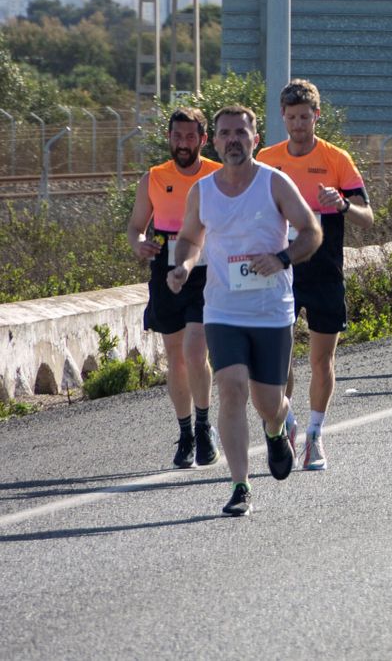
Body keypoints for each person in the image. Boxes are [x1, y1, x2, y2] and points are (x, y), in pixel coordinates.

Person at [166, 105, 322, 517]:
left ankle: (278, 425)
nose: (233, 139)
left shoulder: (275, 183)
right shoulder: (203, 190)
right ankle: (240, 485)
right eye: (225, 133)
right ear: (213, 142)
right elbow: (188, 238)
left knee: (267, 400)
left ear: (255, 139)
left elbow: (312, 231)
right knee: (231, 389)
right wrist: (182, 265)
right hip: (222, 310)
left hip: (271, 310)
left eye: (241, 132)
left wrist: (283, 259)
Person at [258, 79, 372, 472]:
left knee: (322, 360)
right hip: (281, 273)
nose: (298, 125)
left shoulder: (337, 158)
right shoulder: (268, 159)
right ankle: (284, 424)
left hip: (325, 273)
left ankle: (316, 435)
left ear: (316, 116)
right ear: (282, 118)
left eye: (305, 117)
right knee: (280, 360)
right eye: (291, 118)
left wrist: (341, 205)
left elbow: (368, 217)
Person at [128, 107, 221, 469]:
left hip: (206, 267)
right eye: (177, 137)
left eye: (190, 137)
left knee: (197, 351)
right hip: (166, 266)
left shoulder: (218, 175)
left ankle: (204, 425)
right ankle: (185, 433)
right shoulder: (153, 177)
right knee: (176, 357)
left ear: (203, 139)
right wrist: (139, 244)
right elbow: (137, 226)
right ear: (169, 138)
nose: (183, 144)